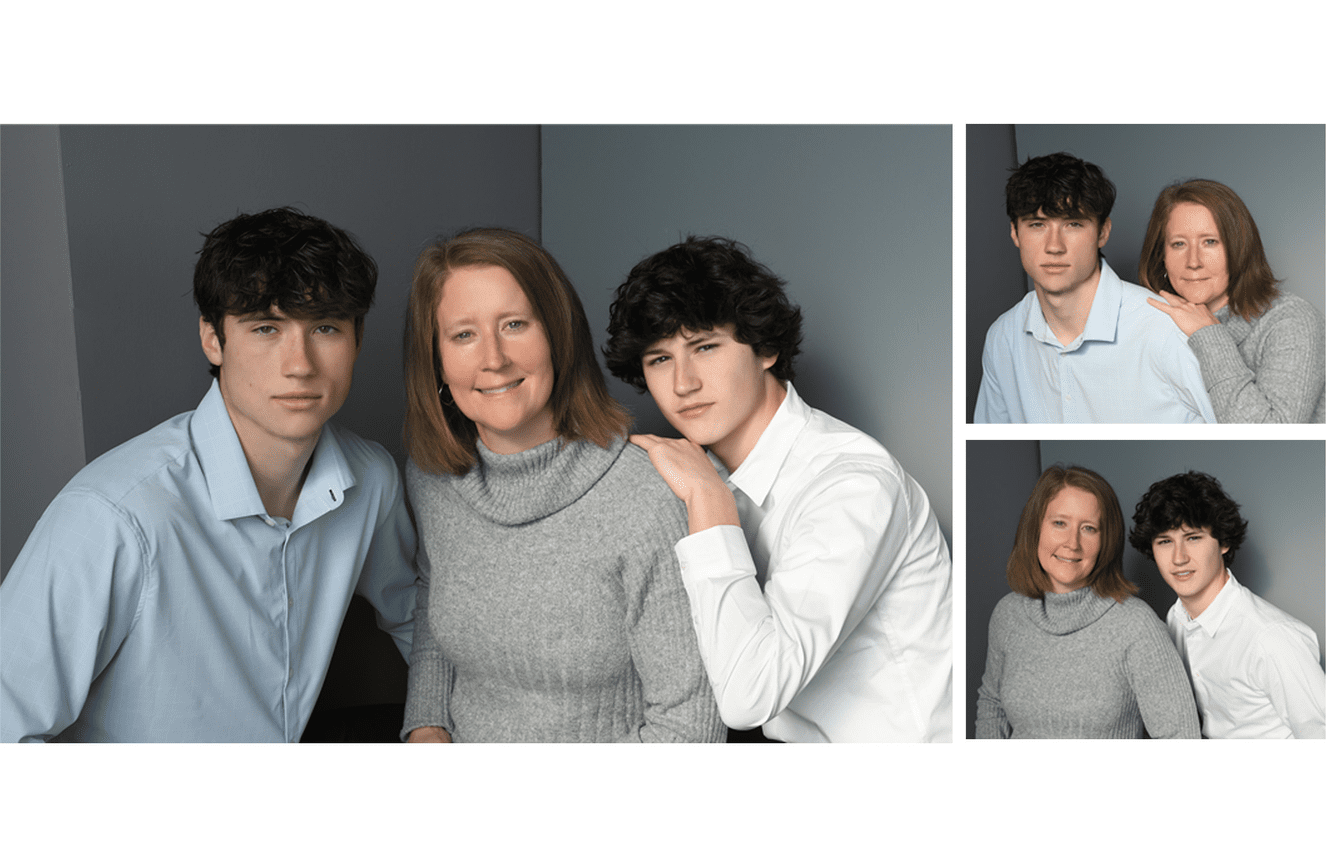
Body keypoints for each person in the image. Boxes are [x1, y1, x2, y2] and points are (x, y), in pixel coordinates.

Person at [1, 207, 417, 742]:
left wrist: (429, 724)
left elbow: (423, 620)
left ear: (356, 339)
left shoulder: (370, 480)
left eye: (326, 327)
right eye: (266, 328)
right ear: (213, 340)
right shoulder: (115, 516)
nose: (300, 364)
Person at [604, 236, 952, 743]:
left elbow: (750, 695)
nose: (683, 383)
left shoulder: (851, 485)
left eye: (704, 347)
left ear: (765, 349)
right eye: (659, 359)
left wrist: (708, 500)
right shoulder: (698, 473)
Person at [399, 228, 723, 743]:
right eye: (463, 334)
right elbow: (435, 613)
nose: (493, 358)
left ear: (557, 334)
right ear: (435, 360)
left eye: (514, 325)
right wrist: (426, 723)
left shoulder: (649, 497)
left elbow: (689, 728)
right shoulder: (432, 480)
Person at [974, 152, 1215, 423]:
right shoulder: (1003, 338)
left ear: (1103, 232)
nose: (1054, 246)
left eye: (1073, 224)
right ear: (1015, 233)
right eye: (1037, 225)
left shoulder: (1165, 330)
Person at [976, 465, 1199, 738]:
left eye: (1089, 528)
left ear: (1106, 540)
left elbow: (1180, 736)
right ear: (1035, 529)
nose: (1072, 543)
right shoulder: (1008, 615)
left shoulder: (1136, 625)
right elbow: (992, 704)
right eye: (1059, 523)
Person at [1129, 471, 1325, 738]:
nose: (1178, 558)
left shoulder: (1271, 640)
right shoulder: (1175, 619)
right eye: (1165, 542)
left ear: (1223, 541)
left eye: (1193, 538)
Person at [1139, 179, 1325, 423]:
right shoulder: (1153, 321)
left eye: (1210, 242)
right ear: (1161, 256)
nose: (1193, 261)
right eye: (1179, 244)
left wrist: (1208, 335)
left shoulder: (1292, 320)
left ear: (1239, 248)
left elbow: (1270, 433)